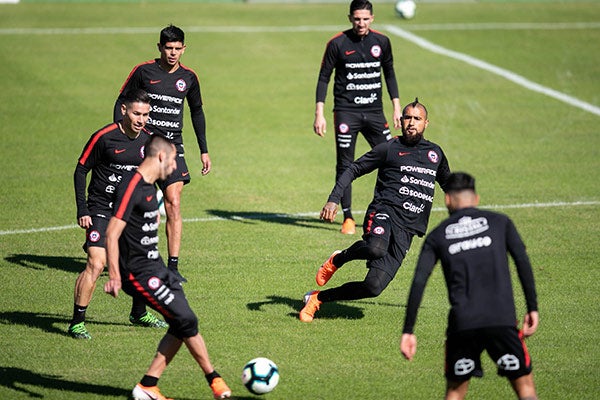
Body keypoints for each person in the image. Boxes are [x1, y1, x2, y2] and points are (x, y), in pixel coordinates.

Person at [104, 134, 231, 400]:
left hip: (157, 269)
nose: (175, 166)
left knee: (181, 320)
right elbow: (112, 232)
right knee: (186, 319)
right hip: (137, 274)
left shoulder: (151, 188)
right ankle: (214, 379)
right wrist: (115, 275)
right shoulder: (133, 185)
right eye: (173, 159)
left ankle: (147, 386)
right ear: (161, 156)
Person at [300, 98, 450, 322]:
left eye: (417, 119)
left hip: (407, 229)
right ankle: (338, 260)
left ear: (426, 123)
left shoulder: (435, 154)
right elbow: (354, 168)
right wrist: (334, 199)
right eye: (407, 117)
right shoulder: (390, 148)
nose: (411, 123)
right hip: (384, 212)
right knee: (375, 248)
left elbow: (450, 187)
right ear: (400, 120)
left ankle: (317, 299)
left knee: (373, 287)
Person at [400, 172, 539, 400]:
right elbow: (522, 262)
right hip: (501, 321)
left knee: (455, 393)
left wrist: (408, 330)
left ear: (447, 200)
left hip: (463, 325)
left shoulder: (438, 235)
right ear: (476, 198)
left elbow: (418, 282)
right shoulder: (500, 223)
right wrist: (532, 307)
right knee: (526, 390)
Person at [114, 24, 210, 282]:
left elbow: (197, 112)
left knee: (174, 203)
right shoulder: (143, 71)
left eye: (178, 49)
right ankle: (114, 248)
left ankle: (173, 267)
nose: (173, 53)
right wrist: (121, 136)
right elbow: (122, 101)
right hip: (144, 145)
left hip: (173, 148)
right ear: (160, 47)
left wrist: (204, 150)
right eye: (168, 48)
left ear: (184, 49)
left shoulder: (189, 78)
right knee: (131, 203)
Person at [69, 89, 167, 340]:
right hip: (101, 209)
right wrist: (83, 209)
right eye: (136, 113)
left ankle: (138, 313)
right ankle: (77, 322)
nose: (141, 119)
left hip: (130, 212)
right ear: (124, 110)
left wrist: (152, 208)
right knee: (96, 263)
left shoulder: (149, 141)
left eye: (146, 115)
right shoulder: (104, 137)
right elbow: (81, 170)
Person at [313, 0, 402, 235]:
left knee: (391, 156)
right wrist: (319, 113)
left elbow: (389, 74)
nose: (361, 23)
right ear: (350, 18)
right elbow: (324, 78)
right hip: (346, 112)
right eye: (356, 19)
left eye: (365, 19)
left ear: (372, 18)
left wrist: (396, 107)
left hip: (374, 112)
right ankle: (349, 217)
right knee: (346, 163)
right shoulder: (337, 44)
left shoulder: (382, 42)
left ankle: (383, 211)